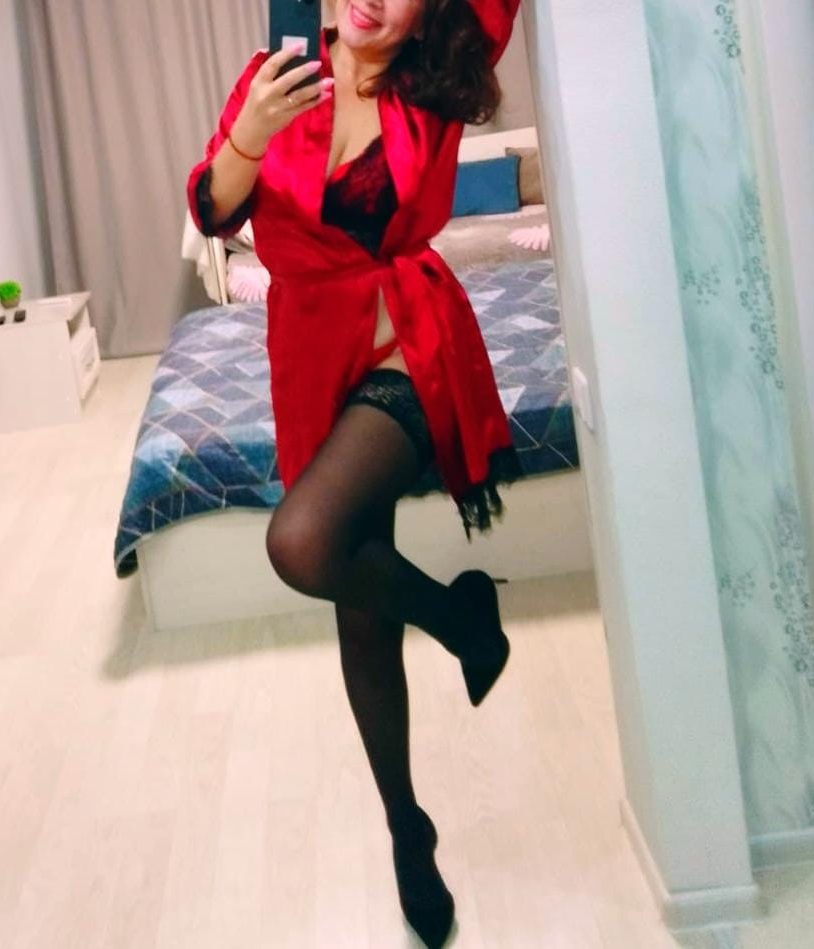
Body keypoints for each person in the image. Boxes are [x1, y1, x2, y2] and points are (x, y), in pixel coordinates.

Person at [186, 1, 526, 945]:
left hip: (407, 347)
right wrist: (251, 135)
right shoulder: (275, 76)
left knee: (300, 541)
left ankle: (461, 621)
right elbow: (212, 207)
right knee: (359, 611)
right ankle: (407, 827)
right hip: (310, 363)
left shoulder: (436, 78)